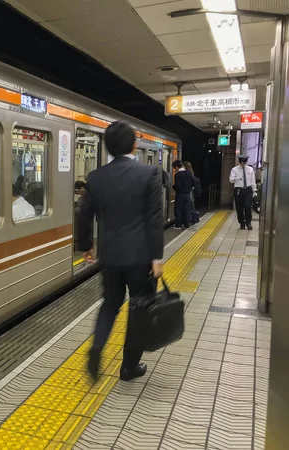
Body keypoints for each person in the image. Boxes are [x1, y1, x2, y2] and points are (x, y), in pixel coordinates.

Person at [77, 121, 163, 382]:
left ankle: (97, 348)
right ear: (134, 144)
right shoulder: (149, 174)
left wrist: (86, 247)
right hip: (141, 258)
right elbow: (154, 219)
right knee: (139, 310)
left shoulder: (96, 177)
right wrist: (157, 258)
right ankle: (129, 367)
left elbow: (84, 214)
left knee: (110, 304)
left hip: (111, 255)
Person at [230, 155, 257, 230]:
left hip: (248, 189)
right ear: (239, 161)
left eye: (244, 162)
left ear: (246, 161)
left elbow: (252, 181)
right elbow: (231, 180)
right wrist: (237, 178)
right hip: (239, 190)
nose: (242, 163)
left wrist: (254, 191)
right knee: (239, 207)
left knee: (248, 206)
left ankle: (248, 222)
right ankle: (242, 222)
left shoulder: (250, 169)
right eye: (241, 162)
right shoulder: (234, 169)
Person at [172, 160, 193, 229]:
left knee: (178, 210)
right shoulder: (189, 173)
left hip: (180, 195)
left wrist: (173, 187)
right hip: (187, 195)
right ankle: (187, 224)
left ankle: (178, 225)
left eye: (174, 168)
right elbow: (193, 183)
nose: (175, 170)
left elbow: (177, 186)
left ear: (177, 167)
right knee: (186, 210)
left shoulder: (178, 175)